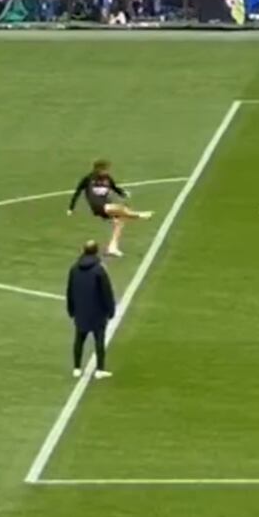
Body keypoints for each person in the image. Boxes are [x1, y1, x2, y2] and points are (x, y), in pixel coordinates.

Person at [67, 159, 154, 258]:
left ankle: (112, 248)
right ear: (98, 169)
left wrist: (123, 193)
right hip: (97, 206)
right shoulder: (88, 179)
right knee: (121, 208)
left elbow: (114, 188)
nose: (107, 171)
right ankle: (140, 215)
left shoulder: (107, 178)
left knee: (119, 223)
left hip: (106, 204)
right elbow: (77, 192)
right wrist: (71, 208)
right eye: (105, 170)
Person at [66, 240, 116, 380]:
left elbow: (70, 290)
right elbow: (107, 292)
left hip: (81, 311)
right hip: (98, 312)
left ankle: (76, 368)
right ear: (96, 251)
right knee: (99, 340)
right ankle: (99, 369)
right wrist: (111, 310)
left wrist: (71, 309)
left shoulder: (74, 268)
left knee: (79, 340)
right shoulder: (99, 270)